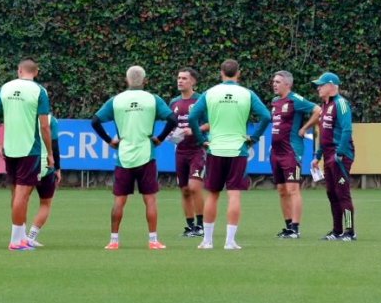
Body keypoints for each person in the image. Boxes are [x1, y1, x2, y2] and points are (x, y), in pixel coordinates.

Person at [188, 59, 271, 250]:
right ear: (238, 73)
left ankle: (207, 241)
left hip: (215, 148)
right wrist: (254, 137)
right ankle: (229, 241)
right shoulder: (247, 94)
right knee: (234, 195)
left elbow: (192, 117)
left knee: (213, 194)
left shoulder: (210, 93)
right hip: (238, 149)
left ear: (221, 73)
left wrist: (201, 140)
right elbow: (266, 116)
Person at [91, 66, 177, 250]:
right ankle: (153, 240)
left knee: (119, 200)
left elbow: (95, 121)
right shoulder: (153, 100)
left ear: (126, 79)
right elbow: (173, 119)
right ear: (145, 81)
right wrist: (160, 138)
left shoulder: (117, 100)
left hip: (124, 156)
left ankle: (114, 241)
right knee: (150, 199)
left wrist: (109, 140)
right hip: (147, 154)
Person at [0, 58, 53, 251]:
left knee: (16, 195)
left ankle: (20, 237)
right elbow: (45, 126)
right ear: (36, 72)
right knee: (22, 195)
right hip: (29, 149)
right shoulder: (39, 91)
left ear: (19, 70)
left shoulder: (5, 88)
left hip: (10, 149)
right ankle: (15, 241)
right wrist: (49, 153)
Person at [269, 71, 320, 239]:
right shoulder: (275, 101)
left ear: (287, 85)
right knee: (282, 190)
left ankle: (296, 229)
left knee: (293, 189)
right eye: (274, 81)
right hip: (275, 152)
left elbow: (318, 110)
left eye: (278, 82)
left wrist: (305, 128)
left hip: (291, 151)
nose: (274, 84)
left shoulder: (295, 99)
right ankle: (288, 226)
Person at [311, 72, 357, 241]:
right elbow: (324, 135)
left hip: (340, 157)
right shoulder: (324, 106)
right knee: (331, 193)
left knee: (342, 193)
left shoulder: (341, 104)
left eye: (321, 85)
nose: (318, 88)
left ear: (331, 86)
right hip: (329, 155)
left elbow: (347, 130)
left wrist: (340, 153)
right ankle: (337, 231)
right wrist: (317, 156)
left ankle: (350, 231)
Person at [168, 68, 207, 238]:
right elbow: (171, 124)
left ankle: (201, 225)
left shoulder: (200, 100)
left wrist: (194, 130)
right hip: (180, 151)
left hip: (197, 149)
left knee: (194, 187)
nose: (180, 81)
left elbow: (210, 123)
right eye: (179, 78)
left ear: (193, 82)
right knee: (184, 190)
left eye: (184, 78)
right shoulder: (174, 103)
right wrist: (170, 134)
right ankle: (190, 226)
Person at [26, 113, 62, 247]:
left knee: (22, 199)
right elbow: (54, 145)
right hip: (46, 165)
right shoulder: (51, 120)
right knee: (45, 203)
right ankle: (30, 237)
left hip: (27, 164)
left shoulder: (26, 117)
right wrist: (58, 168)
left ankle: (19, 236)